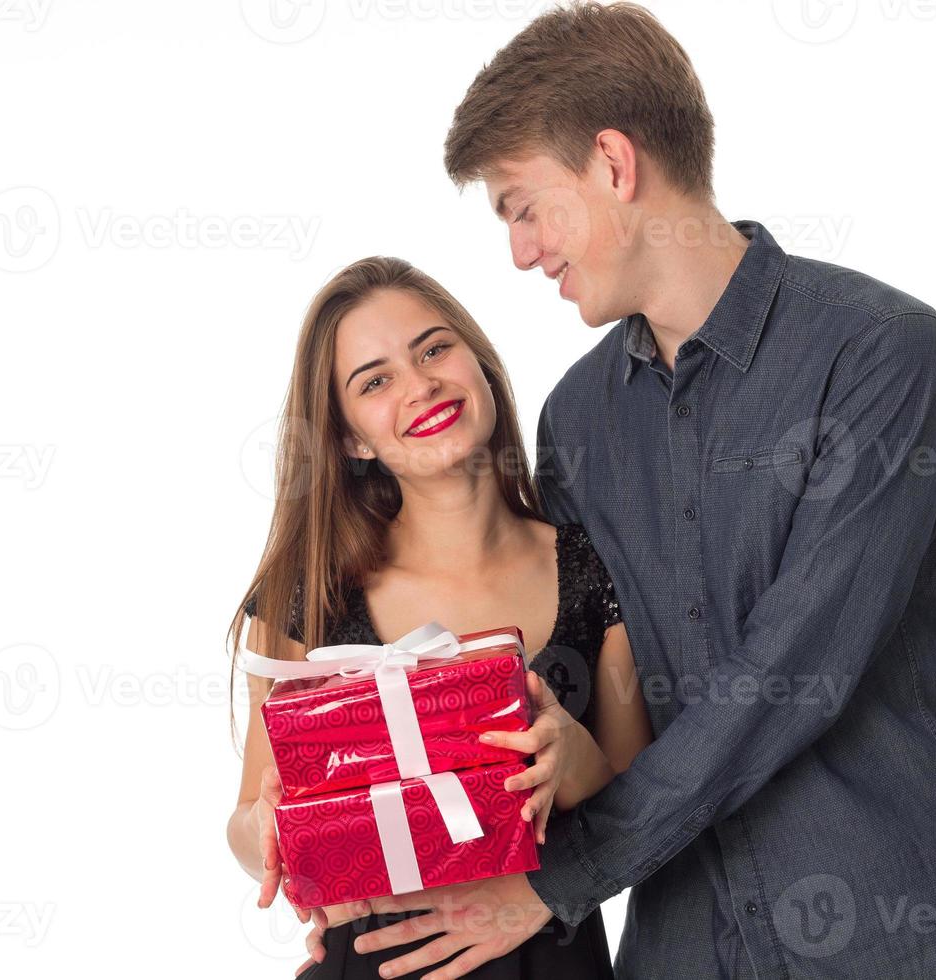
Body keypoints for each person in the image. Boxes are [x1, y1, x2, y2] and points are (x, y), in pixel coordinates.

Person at [342, 4, 936, 979]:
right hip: (688, 950)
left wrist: (557, 881)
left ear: (613, 163)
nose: (519, 249)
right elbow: (587, 710)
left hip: (913, 938)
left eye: (521, 204)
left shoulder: (882, 355)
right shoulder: (578, 421)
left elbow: (784, 680)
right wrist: (377, 893)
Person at [224, 255, 653, 979]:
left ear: (480, 365)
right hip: (371, 962)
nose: (420, 385)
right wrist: (271, 831)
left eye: (434, 349)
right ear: (352, 438)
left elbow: (649, 811)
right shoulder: (308, 593)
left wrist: (575, 763)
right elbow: (244, 823)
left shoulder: (593, 570)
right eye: (375, 380)